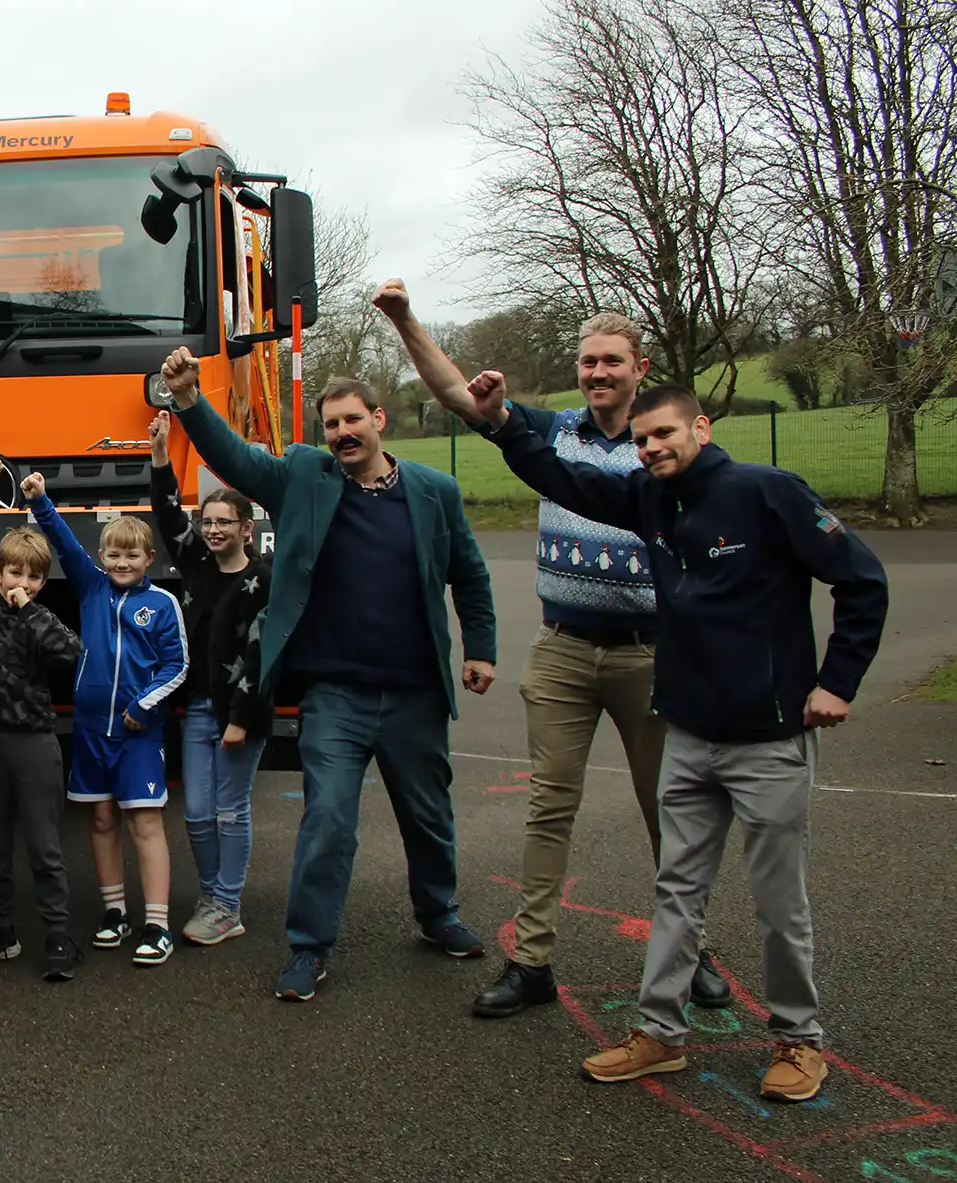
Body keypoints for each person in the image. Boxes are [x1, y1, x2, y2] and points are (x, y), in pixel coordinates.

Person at [468, 373, 887, 1102]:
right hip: (688, 732)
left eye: (664, 433)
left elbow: (861, 579)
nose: (652, 447)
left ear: (702, 428)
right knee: (676, 890)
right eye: (641, 439)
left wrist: (837, 681)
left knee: (777, 899)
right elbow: (559, 474)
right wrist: (502, 423)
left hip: (769, 735)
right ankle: (659, 1033)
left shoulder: (768, 492)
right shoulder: (648, 498)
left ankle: (799, 1038)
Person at [376, 283, 734, 1017]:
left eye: (611, 361)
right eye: (586, 361)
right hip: (565, 647)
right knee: (548, 808)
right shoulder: (554, 430)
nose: (596, 373)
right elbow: (453, 392)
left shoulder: (667, 445)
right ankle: (532, 962)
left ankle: (692, 949)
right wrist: (405, 318)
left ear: (640, 367)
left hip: (650, 653)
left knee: (669, 809)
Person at [160, 350, 498, 1003]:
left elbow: (470, 572)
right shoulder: (306, 479)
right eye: (330, 423)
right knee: (327, 821)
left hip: (413, 690)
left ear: (379, 419)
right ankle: (309, 947)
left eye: (352, 420)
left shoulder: (434, 491)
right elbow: (236, 461)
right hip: (334, 693)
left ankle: (438, 915)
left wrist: (480, 646)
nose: (341, 432)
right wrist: (189, 400)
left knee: (427, 815)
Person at [25, 470, 189, 967]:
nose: (121, 562)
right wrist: (41, 502)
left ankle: (157, 923)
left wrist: (143, 705)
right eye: (113, 555)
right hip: (92, 731)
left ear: (148, 560)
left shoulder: (160, 604)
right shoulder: (91, 587)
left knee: (144, 821)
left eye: (131, 555)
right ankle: (114, 912)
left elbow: (178, 666)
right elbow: (62, 540)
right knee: (99, 819)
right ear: (102, 558)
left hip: (138, 733)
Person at [0, 458, 85, 981]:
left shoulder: (40, 619)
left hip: (33, 743)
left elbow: (72, 652)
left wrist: (28, 609)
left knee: (44, 846)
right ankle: (1, 929)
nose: (23, 581)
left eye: (34, 576)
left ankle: (56, 936)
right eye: (15, 572)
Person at [147, 411, 275, 947]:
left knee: (229, 810)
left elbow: (261, 657)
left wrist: (241, 721)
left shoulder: (262, 581)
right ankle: (210, 893)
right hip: (197, 708)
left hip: (238, 715)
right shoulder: (196, 566)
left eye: (226, 522)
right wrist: (159, 455)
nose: (215, 529)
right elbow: (167, 512)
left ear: (247, 529)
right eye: (209, 522)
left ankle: (228, 902)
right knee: (197, 813)